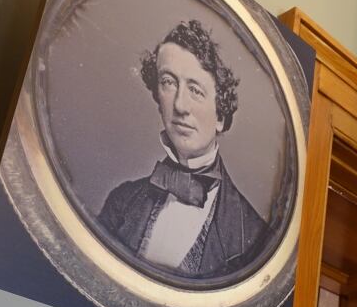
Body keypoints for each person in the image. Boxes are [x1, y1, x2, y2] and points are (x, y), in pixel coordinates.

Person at [99, 20, 267, 278]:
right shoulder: (121, 203)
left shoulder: (254, 238)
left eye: (195, 90)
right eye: (168, 82)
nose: (180, 105)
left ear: (220, 116)